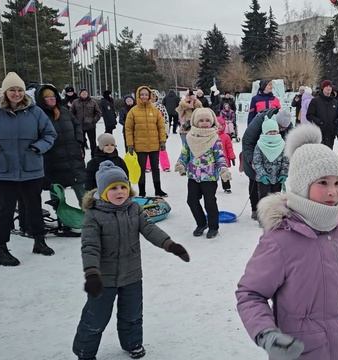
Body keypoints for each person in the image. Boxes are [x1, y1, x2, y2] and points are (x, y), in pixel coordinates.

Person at [236, 124, 338, 360]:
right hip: (304, 348)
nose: (333, 192)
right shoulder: (280, 240)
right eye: (323, 183)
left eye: (337, 183)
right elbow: (250, 294)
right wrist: (267, 334)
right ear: (301, 185)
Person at [72, 161, 190, 360]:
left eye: (123, 187)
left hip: (132, 274)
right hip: (104, 278)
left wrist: (170, 244)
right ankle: (85, 351)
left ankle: (132, 343)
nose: (120, 192)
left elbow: (150, 230)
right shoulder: (94, 216)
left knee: (132, 314)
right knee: (96, 317)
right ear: (102, 192)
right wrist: (92, 273)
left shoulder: (134, 209)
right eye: (113, 188)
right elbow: (90, 246)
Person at [0, 72, 58, 266]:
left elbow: (50, 134)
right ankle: (0, 249)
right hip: (4, 170)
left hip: (31, 168)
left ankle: (39, 241)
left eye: (19, 90)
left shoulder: (35, 112)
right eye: (12, 90)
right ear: (5, 92)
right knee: (6, 211)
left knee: (34, 207)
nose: (16, 94)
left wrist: (37, 148)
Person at [176, 108, 231, 239]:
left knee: (209, 202)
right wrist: (181, 164)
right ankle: (201, 223)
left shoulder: (214, 138)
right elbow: (185, 154)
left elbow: (220, 157)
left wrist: (223, 169)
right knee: (191, 200)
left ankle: (213, 227)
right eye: (201, 120)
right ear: (195, 122)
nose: (205, 123)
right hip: (193, 176)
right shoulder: (190, 137)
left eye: (207, 120)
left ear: (212, 121)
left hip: (209, 177)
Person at [36, 84, 87, 204]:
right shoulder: (38, 115)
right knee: (56, 190)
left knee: (81, 190)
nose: (51, 98)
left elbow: (77, 125)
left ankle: (89, 215)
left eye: (53, 96)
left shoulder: (64, 111)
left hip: (73, 157)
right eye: (47, 97)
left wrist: (79, 141)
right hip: (53, 159)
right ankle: (61, 216)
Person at [242, 109, 292, 220]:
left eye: (284, 128)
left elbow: (287, 154)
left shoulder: (287, 126)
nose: (282, 130)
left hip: (276, 170)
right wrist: (253, 162)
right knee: (256, 185)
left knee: (275, 195)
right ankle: (257, 211)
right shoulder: (259, 122)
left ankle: (274, 213)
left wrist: (284, 172)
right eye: (280, 127)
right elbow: (247, 142)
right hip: (254, 156)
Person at [125, 86, 167, 197]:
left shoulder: (155, 110)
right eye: (142, 94)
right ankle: (142, 191)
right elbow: (128, 129)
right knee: (141, 170)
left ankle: (158, 189)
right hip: (140, 146)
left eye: (146, 94)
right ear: (138, 96)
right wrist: (130, 144)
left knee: (155, 168)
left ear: (149, 96)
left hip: (154, 145)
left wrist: (162, 141)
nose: (144, 96)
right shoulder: (133, 111)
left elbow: (161, 127)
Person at [252, 117, 289, 202]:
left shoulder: (282, 144)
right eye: (270, 132)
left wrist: (283, 174)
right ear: (265, 132)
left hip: (277, 178)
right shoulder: (260, 145)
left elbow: (286, 161)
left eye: (275, 131)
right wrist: (262, 175)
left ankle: (274, 214)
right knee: (264, 200)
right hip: (263, 179)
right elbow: (257, 162)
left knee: (276, 200)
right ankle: (264, 215)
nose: (273, 133)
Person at [307, 80, 338, 148]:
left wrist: (336, 122)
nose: (328, 88)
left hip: (331, 134)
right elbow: (309, 115)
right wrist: (319, 121)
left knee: (328, 154)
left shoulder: (335, 102)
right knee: (319, 154)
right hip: (318, 133)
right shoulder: (315, 101)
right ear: (322, 88)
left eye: (330, 86)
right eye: (326, 86)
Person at [71, 89, 102, 156]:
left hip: (90, 126)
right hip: (79, 126)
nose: (84, 94)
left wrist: (94, 120)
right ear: (80, 94)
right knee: (80, 142)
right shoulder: (75, 102)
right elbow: (71, 113)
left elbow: (98, 113)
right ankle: (81, 157)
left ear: (88, 94)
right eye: (83, 93)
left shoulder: (93, 102)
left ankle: (94, 156)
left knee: (93, 142)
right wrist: (75, 121)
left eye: (85, 93)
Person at [216, 116, 235, 193]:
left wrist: (232, 157)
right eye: (217, 125)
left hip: (224, 159)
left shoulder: (226, 136)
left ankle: (227, 187)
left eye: (221, 125)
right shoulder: (211, 136)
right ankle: (211, 188)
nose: (219, 127)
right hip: (213, 159)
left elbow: (229, 148)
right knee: (213, 175)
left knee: (224, 173)